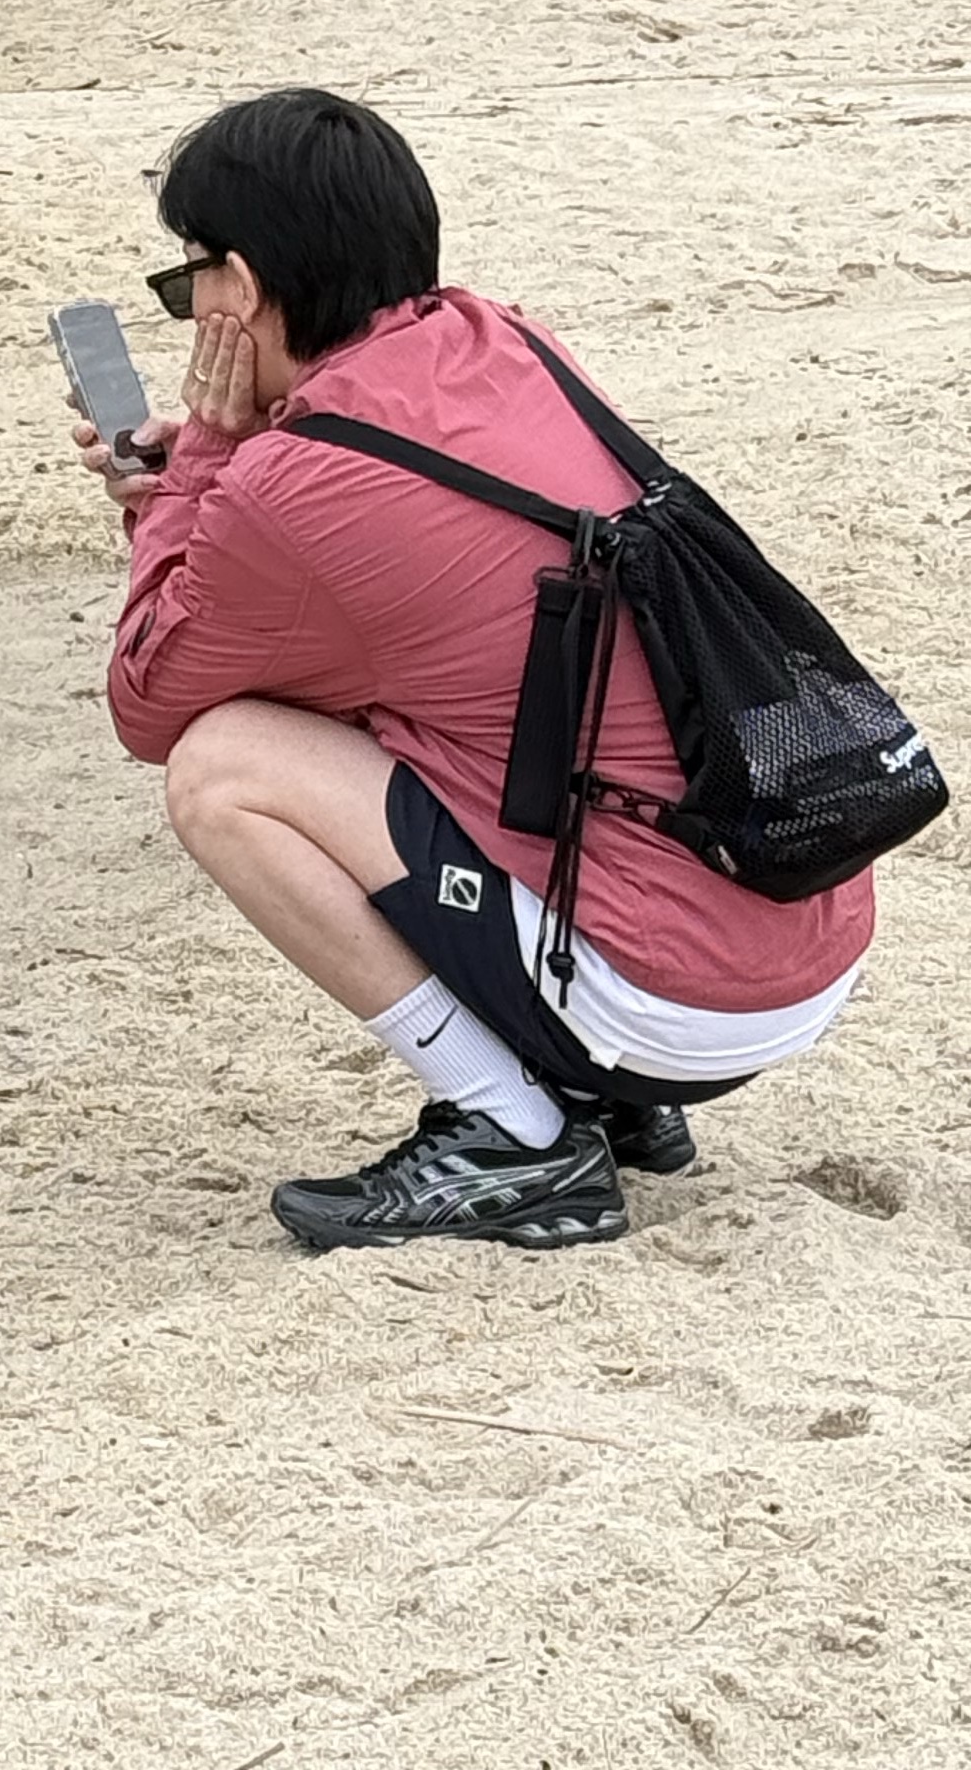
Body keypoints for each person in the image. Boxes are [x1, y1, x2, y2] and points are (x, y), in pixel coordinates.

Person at [72, 88, 871, 1250]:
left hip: (674, 1001)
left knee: (221, 765)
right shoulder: (503, 341)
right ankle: (597, 1100)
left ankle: (517, 1135)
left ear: (237, 290)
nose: (185, 305)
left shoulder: (285, 490)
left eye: (183, 280)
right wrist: (221, 478)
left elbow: (146, 700)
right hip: (793, 931)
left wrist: (199, 459)